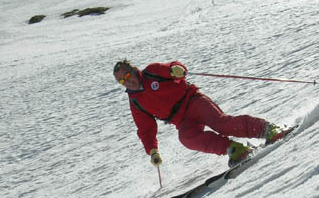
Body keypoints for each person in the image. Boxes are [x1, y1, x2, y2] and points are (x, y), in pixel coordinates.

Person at [113, 59, 287, 168]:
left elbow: (170, 67)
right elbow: (146, 129)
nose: (127, 81)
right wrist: (152, 151)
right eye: (121, 80)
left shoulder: (152, 72)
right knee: (187, 138)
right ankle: (235, 149)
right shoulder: (135, 101)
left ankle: (267, 129)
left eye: (127, 75)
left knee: (221, 124)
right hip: (181, 120)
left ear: (134, 70)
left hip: (193, 101)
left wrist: (176, 70)